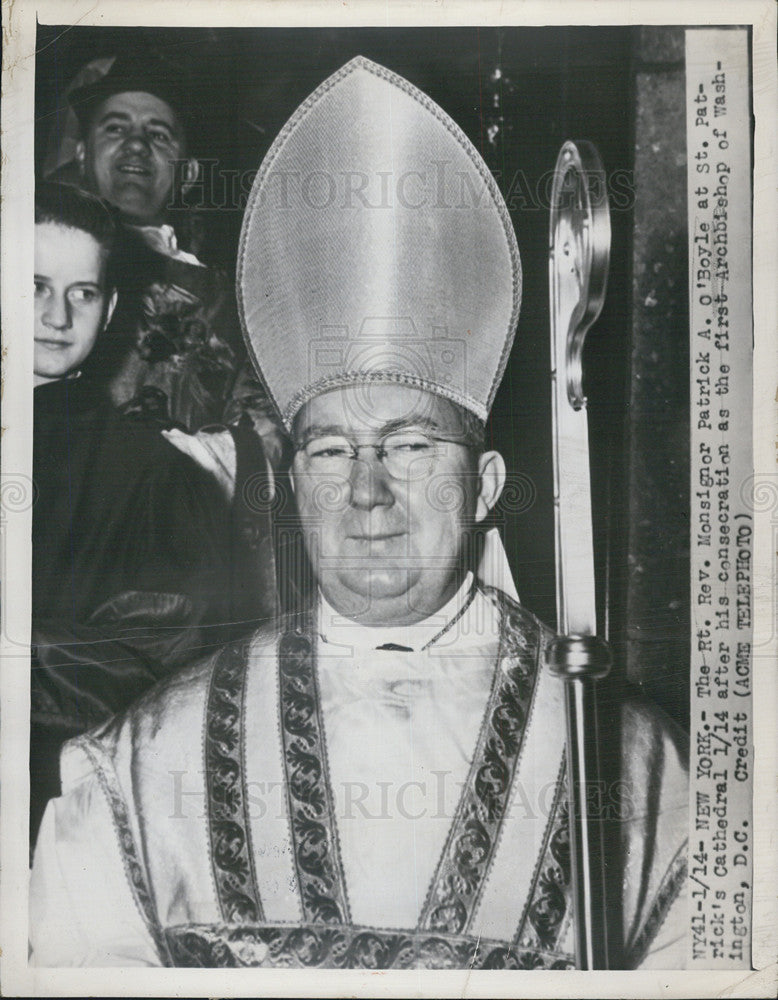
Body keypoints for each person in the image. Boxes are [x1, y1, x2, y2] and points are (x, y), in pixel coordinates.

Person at [29, 58, 688, 970]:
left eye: (412, 447)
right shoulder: (135, 774)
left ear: (488, 485)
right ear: (294, 486)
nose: (367, 492)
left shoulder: (641, 773)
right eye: (331, 452)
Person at [30, 182, 276, 844]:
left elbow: (157, 661)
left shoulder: (150, 473)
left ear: (109, 311)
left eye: (81, 293)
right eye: (33, 286)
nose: (57, 315)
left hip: (57, 802)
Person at [66, 50, 283, 470]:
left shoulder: (238, 302)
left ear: (188, 175)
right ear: (80, 155)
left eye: (159, 134)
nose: (135, 144)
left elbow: (265, 429)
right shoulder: (25, 260)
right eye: (115, 128)